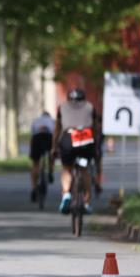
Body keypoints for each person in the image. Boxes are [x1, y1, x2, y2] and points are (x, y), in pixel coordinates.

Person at [52, 87, 99, 215]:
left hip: (68, 138)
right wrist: (96, 146)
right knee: (84, 169)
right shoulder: (90, 107)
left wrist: (54, 147)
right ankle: (87, 202)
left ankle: (66, 194)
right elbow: (95, 128)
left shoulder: (62, 107)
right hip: (86, 139)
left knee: (67, 168)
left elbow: (57, 129)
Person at [28, 111, 56, 201]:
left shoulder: (36, 120)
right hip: (49, 137)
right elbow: (56, 134)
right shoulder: (52, 121)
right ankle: (51, 172)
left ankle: (33, 188)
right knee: (52, 155)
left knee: (35, 163)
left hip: (37, 138)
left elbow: (32, 136)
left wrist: (31, 150)